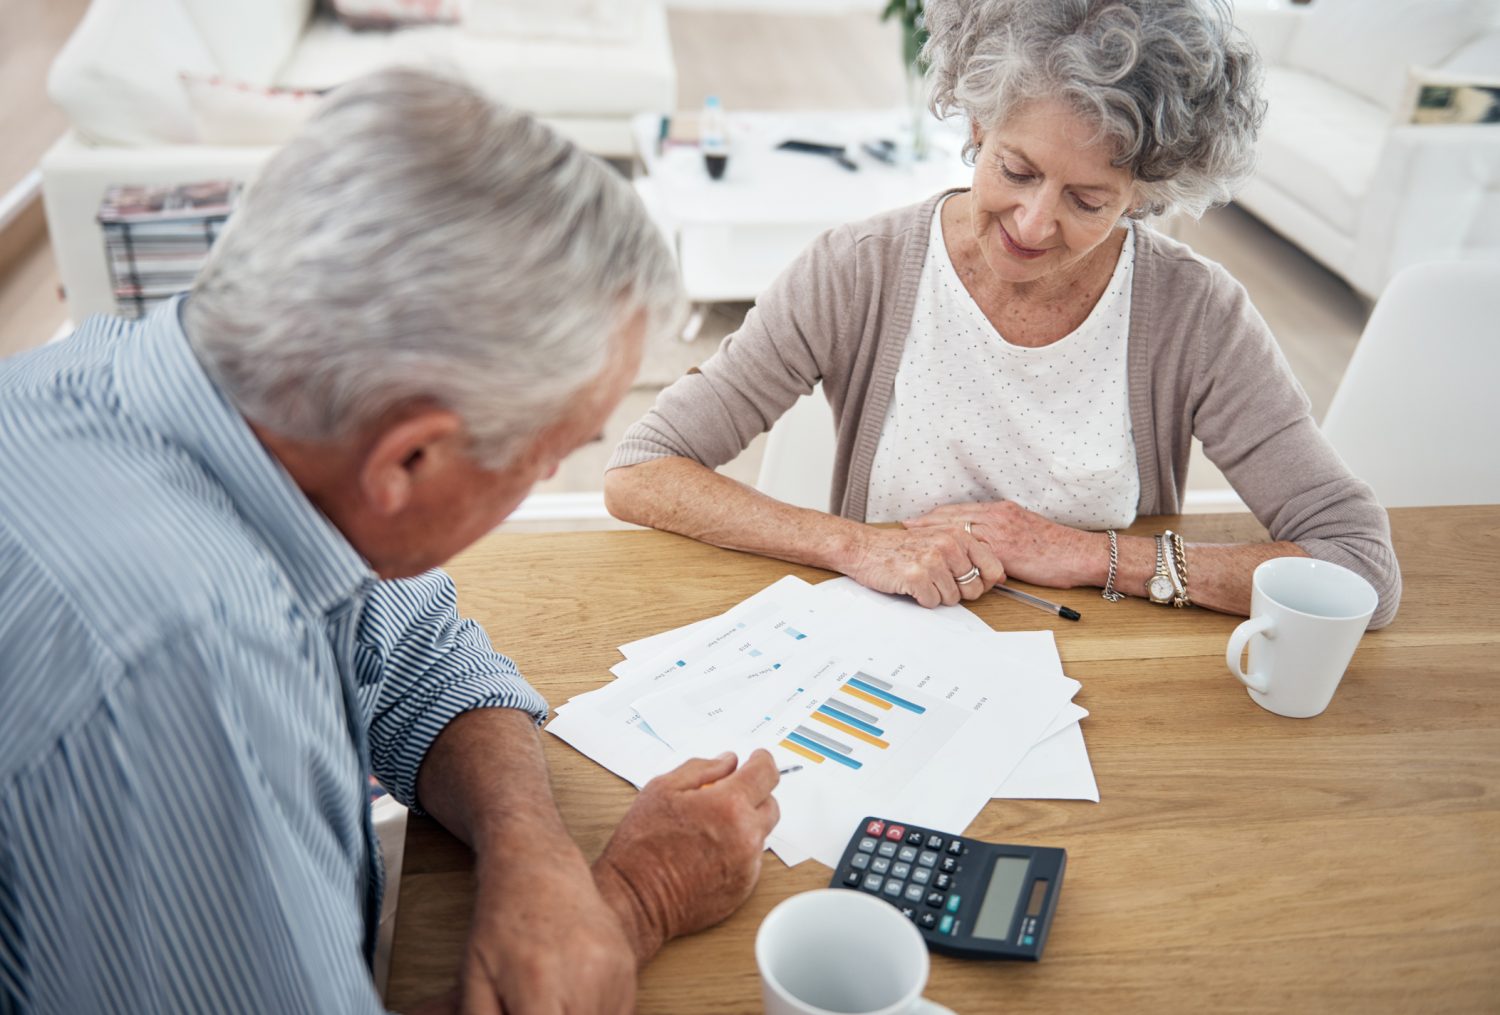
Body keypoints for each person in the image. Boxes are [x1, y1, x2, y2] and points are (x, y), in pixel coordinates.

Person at [0, 69, 779, 1015]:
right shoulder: (176, 675)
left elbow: (419, 651)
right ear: (408, 458)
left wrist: (530, 852)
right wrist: (633, 902)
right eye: (550, 455)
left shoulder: (175, 373)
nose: (547, 479)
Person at [604, 0, 1400, 626]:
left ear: (1147, 194)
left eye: (1089, 200)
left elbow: (1357, 563)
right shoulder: (858, 270)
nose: (1031, 224)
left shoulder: (1196, 315)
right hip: (883, 647)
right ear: (978, 122)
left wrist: (1094, 558)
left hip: (1113, 664)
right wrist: (857, 545)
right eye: (1015, 169)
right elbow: (641, 471)